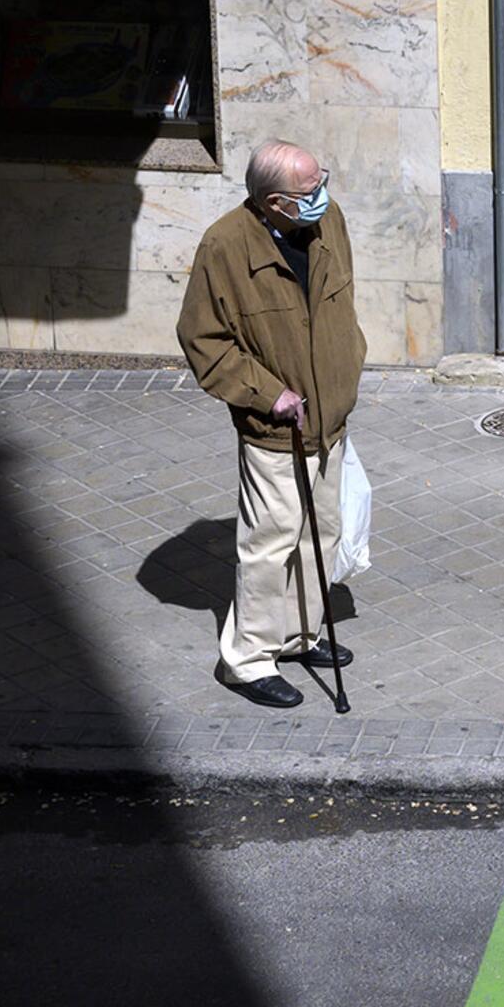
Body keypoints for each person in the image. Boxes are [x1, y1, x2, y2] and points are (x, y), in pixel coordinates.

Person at [177, 139, 368, 708]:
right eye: (308, 192)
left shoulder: (328, 219)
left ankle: (300, 634)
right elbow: (203, 341)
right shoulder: (225, 246)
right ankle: (248, 660)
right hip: (276, 425)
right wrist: (267, 394)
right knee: (270, 542)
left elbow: (341, 304)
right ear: (274, 202)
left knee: (321, 532)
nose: (322, 198)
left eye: (321, 183)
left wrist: (349, 362)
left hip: (329, 417)